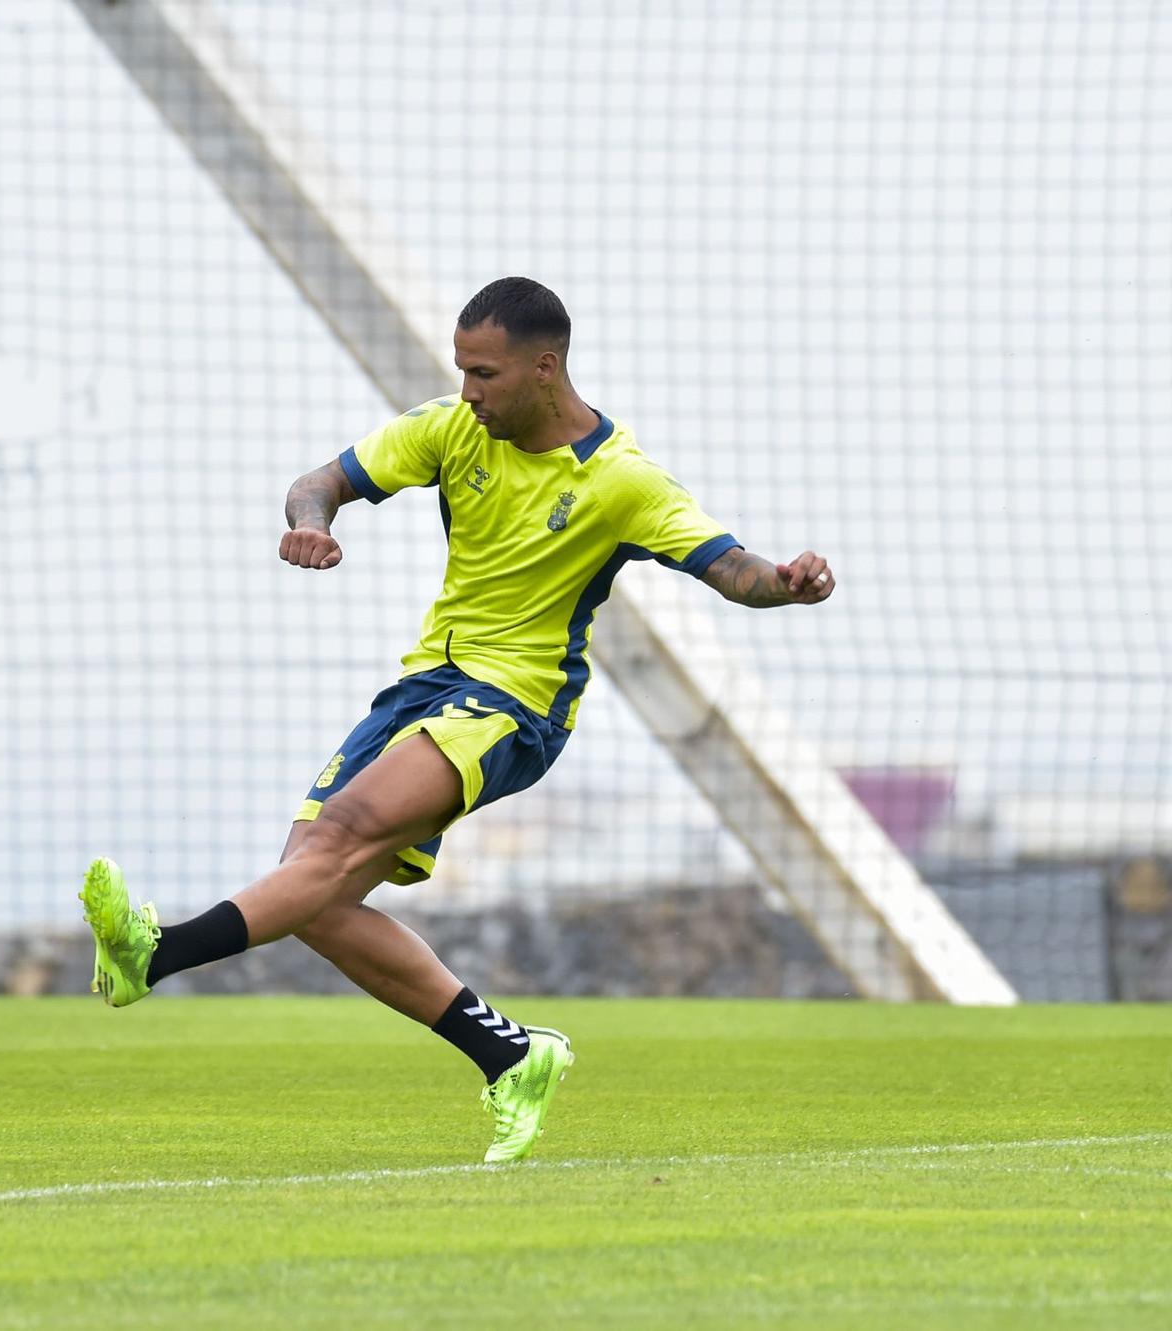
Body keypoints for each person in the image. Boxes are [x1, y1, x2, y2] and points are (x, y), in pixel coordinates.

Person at [81, 276, 835, 1163]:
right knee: (311, 895)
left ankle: (155, 953)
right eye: (462, 370)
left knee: (342, 837)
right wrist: (310, 524)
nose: (469, 390)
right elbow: (318, 481)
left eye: (485, 373)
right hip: (421, 688)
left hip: (515, 703)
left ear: (544, 369)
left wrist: (784, 583)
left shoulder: (622, 482)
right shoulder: (450, 428)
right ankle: (510, 1055)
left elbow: (730, 567)